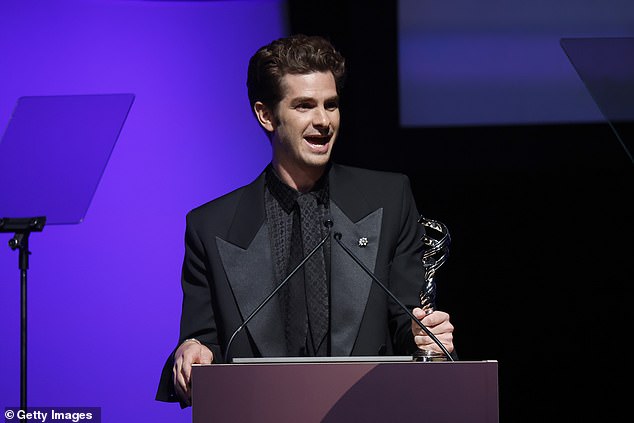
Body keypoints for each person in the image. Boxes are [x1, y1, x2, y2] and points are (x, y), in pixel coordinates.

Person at [156, 33, 455, 407]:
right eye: (304, 106)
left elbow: (405, 322)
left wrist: (425, 338)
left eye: (331, 105)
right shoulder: (212, 227)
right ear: (266, 115)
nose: (323, 121)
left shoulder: (388, 199)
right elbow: (204, 343)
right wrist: (193, 353)